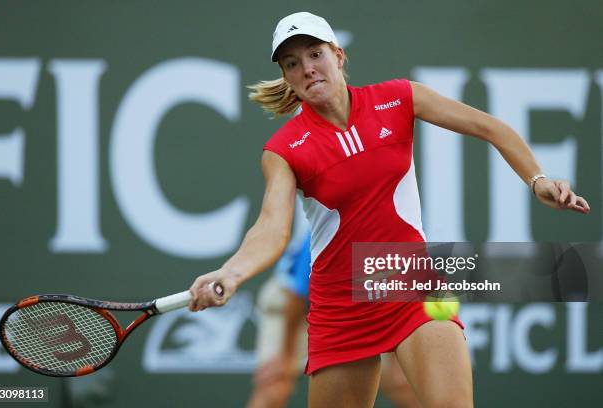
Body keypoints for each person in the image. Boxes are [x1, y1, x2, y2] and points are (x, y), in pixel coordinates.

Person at [189, 11, 590, 408]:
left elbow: (491, 128)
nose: (307, 69)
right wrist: (232, 273)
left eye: (315, 55)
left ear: (338, 55)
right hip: (341, 305)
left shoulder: (398, 98)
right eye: (292, 64)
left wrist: (537, 179)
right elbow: (271, 228)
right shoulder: (284, 149)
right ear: (288, 77)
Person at [246, 228, 422, 408]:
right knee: (275, 382)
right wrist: (286, 355)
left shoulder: (402, 233)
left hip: (355, 307)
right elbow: (297, 296)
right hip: (293, 307)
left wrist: (396, 361)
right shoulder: (331, 231)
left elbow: (404, 294)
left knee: (402, 384)